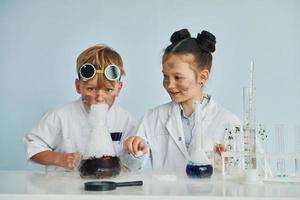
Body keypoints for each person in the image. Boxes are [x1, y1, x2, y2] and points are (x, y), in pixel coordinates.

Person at [122, 29, 241, 174]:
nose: (169, 84)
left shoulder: (227, 121)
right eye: (166, 76)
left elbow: (243, 174)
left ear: (202, 77)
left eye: (178, 77)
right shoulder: (153, 118)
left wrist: (224, 165)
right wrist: (135, 151)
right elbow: (130, 167)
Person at [23, 44, 135, 171]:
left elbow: (133, 162)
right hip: (65, 187)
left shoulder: (124, 118)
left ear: (118, 89)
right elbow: (33, 146)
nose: (99, 97)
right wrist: (60, 159)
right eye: (91, 89)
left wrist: (136, 151)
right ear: (78, 86)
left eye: (108, 90)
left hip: (110, 187)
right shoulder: (60, 115)